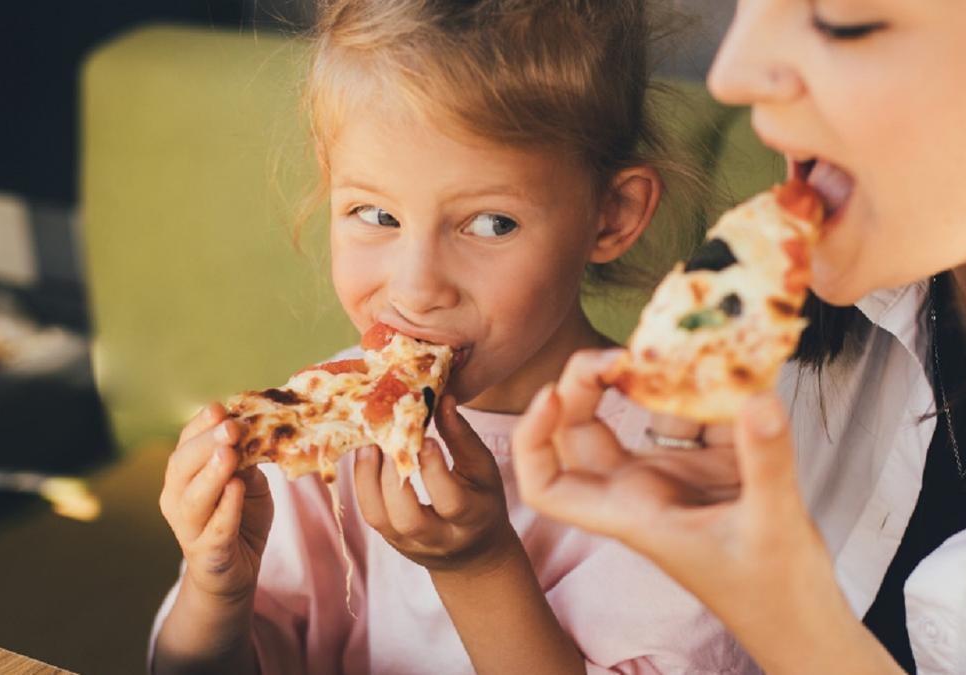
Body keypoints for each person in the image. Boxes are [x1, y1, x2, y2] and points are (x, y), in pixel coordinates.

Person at [148, 1, 760, 673]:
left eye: (491, 223)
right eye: (375, 213)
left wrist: (481, 566)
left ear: (610, 216)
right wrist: (218, 587)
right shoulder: (323, 441)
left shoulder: (682, 466)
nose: (416, 288)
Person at [512, 1, 966, 673]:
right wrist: (750, 586)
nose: (731, 75)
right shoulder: (785, 330)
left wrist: (783, 617)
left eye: (842, 16)